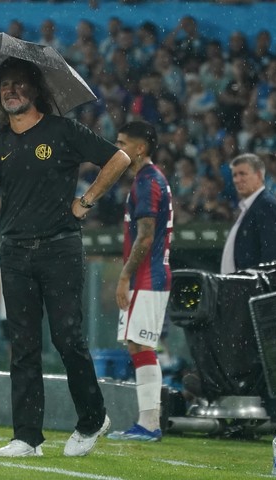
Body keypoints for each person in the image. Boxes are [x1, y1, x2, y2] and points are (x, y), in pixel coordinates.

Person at [0, 57, 131, 458]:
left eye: (19, 84)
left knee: (67, 338)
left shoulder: (61, 130)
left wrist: (87, 200)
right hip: (14, 251)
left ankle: (93, 419)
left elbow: (120, 158)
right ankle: (27, 437)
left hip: (59, 247)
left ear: (35, 89)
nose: (11, 90)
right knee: (23, 346)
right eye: (5, 85)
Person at [106, 121, 173, 442]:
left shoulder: (147, 182)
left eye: (122, 142)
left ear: (140, 148)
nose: (117, 147)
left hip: (148, 276)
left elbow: (145, 237)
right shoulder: (146, 180)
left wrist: (124, 276)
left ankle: (149, 424)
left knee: (142, 345)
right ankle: (148, 422)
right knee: (138, 345)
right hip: (150, 275)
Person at [220, 153, 276, 274]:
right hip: (239, 285)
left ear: (259, 175)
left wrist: (263, 286)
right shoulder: (248, 207)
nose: (237, 180)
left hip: (253, 288)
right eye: (234, 175)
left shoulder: (266, 205)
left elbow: (272, 254)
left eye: (242, 174)